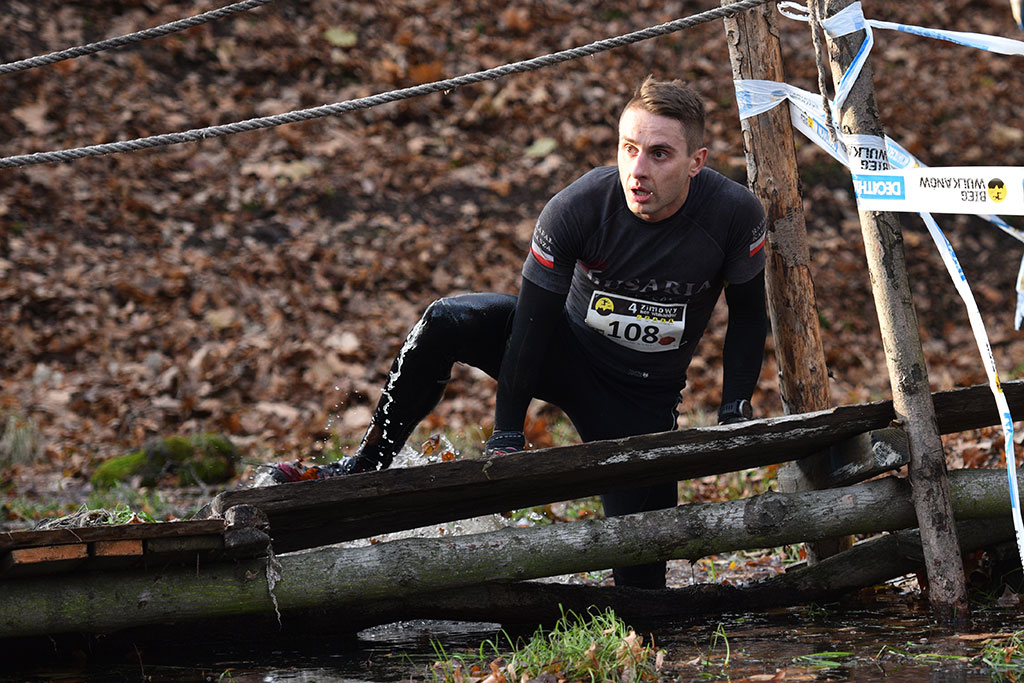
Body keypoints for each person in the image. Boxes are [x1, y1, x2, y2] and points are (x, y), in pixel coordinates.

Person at [267, 75, 769, 589]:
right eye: (629, 149)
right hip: (563, 350)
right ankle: (368, 463)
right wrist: (507, 432)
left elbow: (749, 314)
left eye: (659, 155)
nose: (637, 171)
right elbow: (531, 323)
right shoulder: (579, 206)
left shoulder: (734, 215)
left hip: (641, 399)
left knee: (642, 585)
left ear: (697, 162)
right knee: (447, 319)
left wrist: (734, 408)